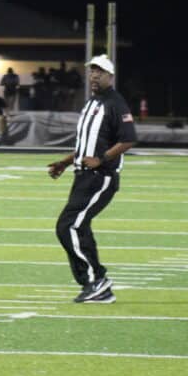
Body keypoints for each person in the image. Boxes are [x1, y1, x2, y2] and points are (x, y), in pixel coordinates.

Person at [46, 54, 138, 305]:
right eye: (92, 71)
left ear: (111, 76)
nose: (95, 75)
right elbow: (86, 144)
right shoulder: (91, 102)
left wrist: (102, 159)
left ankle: (96, 282)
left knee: (68, 226)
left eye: (100, 71)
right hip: (83, 175)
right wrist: (65, 162)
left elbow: (128, 139)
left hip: (100, 177)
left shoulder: (116, 103)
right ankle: (98, 284)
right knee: (78, 226)